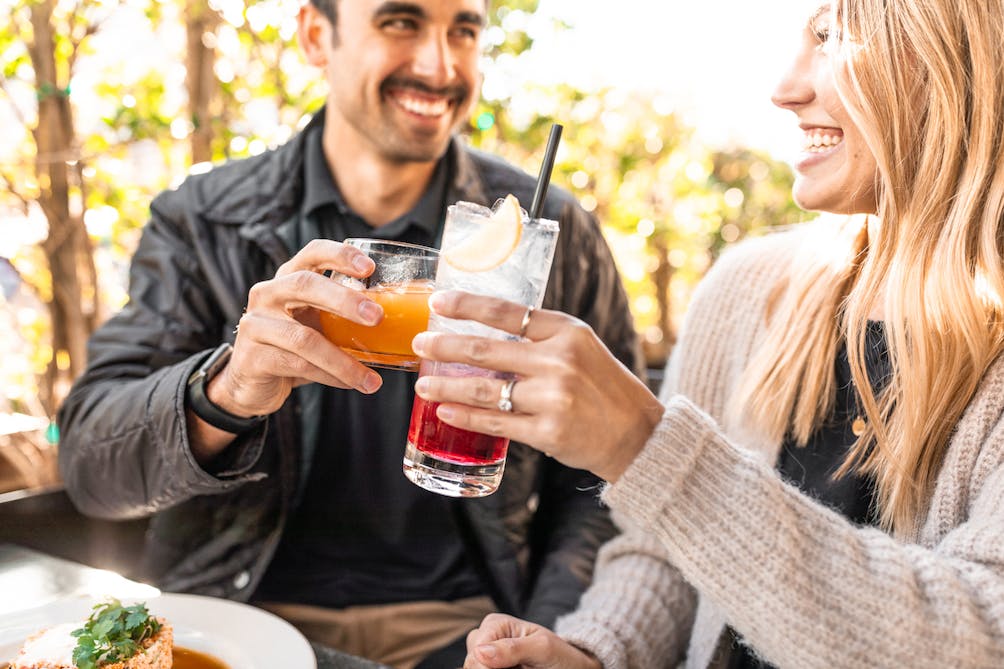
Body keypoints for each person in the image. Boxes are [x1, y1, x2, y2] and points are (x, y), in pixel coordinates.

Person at [408, 1, 1004, 667]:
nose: (786, 89)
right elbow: (665, 554)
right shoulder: (748, 291)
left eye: (832, 37)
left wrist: (648, 448)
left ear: (955, 58)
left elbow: (982, 636)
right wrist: (596, 652)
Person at [55, 0, 642, 667]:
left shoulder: (546, 238)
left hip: (466, 630)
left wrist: (547, 634)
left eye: (464, 30)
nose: (440, 65)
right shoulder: (201, 222)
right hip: (239, 627)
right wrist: (225, 390)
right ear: (315, 35)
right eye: (401, 21)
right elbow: (89, 467)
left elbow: (609, 483)